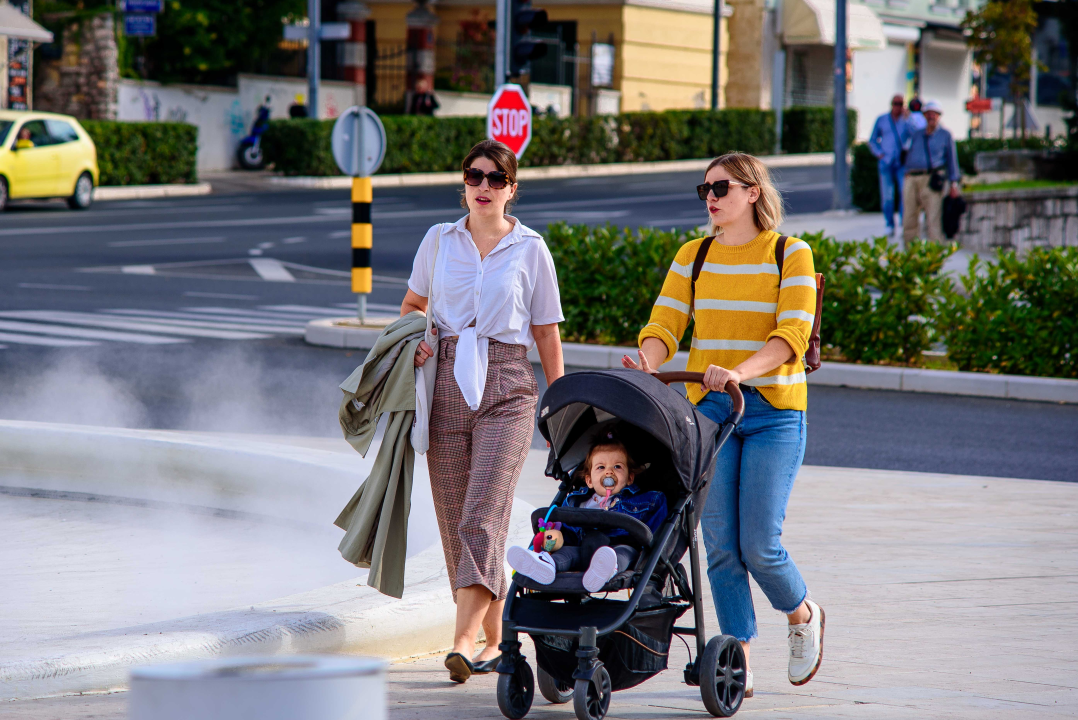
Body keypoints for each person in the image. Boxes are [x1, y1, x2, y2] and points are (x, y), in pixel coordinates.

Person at [623, 152, 824, 699]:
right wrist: (648, 357)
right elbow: (664, 322)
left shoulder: (790, 254)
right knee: (719, 545)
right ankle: (737, 656)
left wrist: (739, 371)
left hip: (774, 412)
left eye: (721, 187)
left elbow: (791, 337)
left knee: (759, 544)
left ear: (753, 192)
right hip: (711, 413)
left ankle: (803, 612)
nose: (710, 196)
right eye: (704, 188)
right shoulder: (695, 254)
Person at [403, 138, 565, 685]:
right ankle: (497, 640)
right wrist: (419, 342)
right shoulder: (438, 240)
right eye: (475, 177)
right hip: (444, 379)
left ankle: (463, 641)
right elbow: (412, 308)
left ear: (512, 189)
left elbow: (545, 330)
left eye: (497, 179)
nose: (484, 187)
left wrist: (560, 405)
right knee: (456, 524)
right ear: (463, 183)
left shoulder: (530, 249)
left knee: (483, 513)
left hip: (508, 386)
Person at [507, 433, 668, 593]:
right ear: (589, 480)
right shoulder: (577, 502)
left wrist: (650, 548)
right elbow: (566, 532)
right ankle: (546, 564)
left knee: (623, 554)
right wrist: (552, 537)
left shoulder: (642, 501)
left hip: (619, 546)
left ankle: (606, 570)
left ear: (630, 477)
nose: (609, 472)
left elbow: (654, 523)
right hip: (582, 548)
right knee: (566, 553)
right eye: (601, 467)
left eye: (617, 466)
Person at [902, 100, 961, 243]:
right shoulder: (917, 134)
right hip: (913, 177)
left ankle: (934, 256)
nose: (931, 117)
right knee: (909, 218)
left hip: (932, 178)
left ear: (938, 116)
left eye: (934, 114)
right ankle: (911, 254)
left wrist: (954, 183)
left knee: (933, 219)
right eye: (928, 114)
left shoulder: (945, 135)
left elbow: (952, 160)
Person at [869, 95, 911, 235]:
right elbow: (873, 140)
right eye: (896, 103)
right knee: (888, 196)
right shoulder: (882, 120)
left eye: (900, 104)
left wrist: (909, 117)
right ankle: (889, 224)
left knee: (904, 193)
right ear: (891, 104)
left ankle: (903, 222)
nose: (898, 106)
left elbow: (916, 134)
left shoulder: (906, 120)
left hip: (901, 163)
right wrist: (880, 153)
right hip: (886, 162)